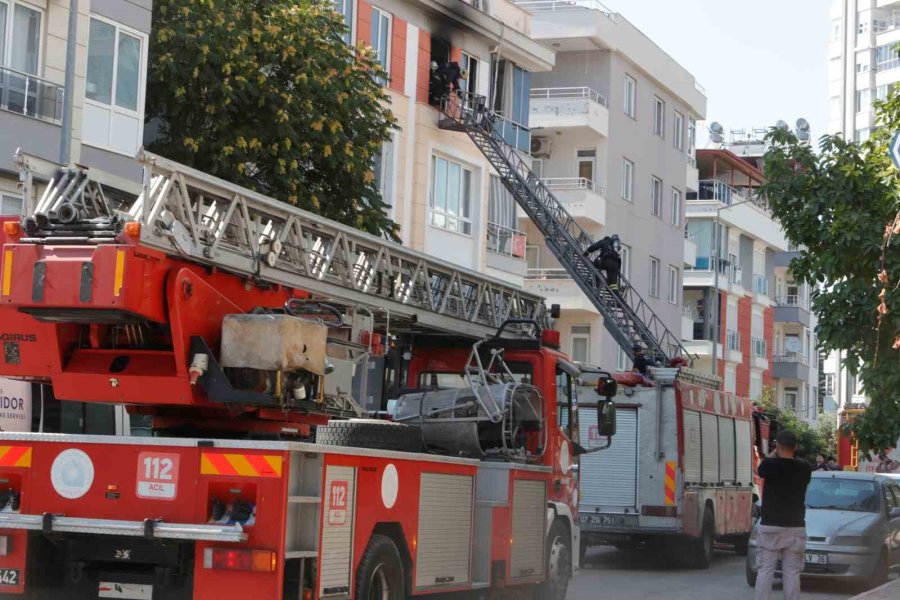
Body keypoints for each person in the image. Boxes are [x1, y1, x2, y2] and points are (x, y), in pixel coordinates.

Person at [754, 430, 812, 600]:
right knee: (792, 572)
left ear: (777, 445)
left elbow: (761, 470)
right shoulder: (804, 467)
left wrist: (774, 452)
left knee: (765, 570)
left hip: (771, 524)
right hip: (795, 526)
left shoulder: (769, 465)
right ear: (796, 447)